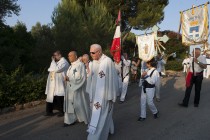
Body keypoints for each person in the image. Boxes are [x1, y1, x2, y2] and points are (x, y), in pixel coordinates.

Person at [86, 44, 118, 140]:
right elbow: (90, 78)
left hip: (104, 95)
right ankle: (110, 129)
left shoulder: (107, 62)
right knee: (102, 115)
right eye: (90, 52)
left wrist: (111, 95)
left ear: (100, 51)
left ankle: (94, 138)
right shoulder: (93, 63)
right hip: (94, 94)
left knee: (100, 117)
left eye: (93, 52)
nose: (91, 54)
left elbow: (113, 79)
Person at [63, 51, 90, 126]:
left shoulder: (80, 65)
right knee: (70, 105)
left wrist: (69, 79)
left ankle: (83, 118)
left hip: (77, 88)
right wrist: (67, 78)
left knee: (79, 104)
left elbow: (81, 78)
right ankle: (69, 120)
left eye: (71, 55)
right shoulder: (71, 66)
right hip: (70, 88)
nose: (69, 57)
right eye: (68, 56)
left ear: (75, 56)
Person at [45, 51, 69, 117]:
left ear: (60, 55)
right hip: (52, 82)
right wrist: (53, 63)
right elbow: (49, 69)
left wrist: (53, 62)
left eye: (55, 55)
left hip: (59, 83)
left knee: (59, 96)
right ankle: (49, 111)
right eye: (54, 56)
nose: (54, 57)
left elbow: (57, 69)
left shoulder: (64, 62)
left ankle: (62, 111)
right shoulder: (56, 62)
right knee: (50, 96)